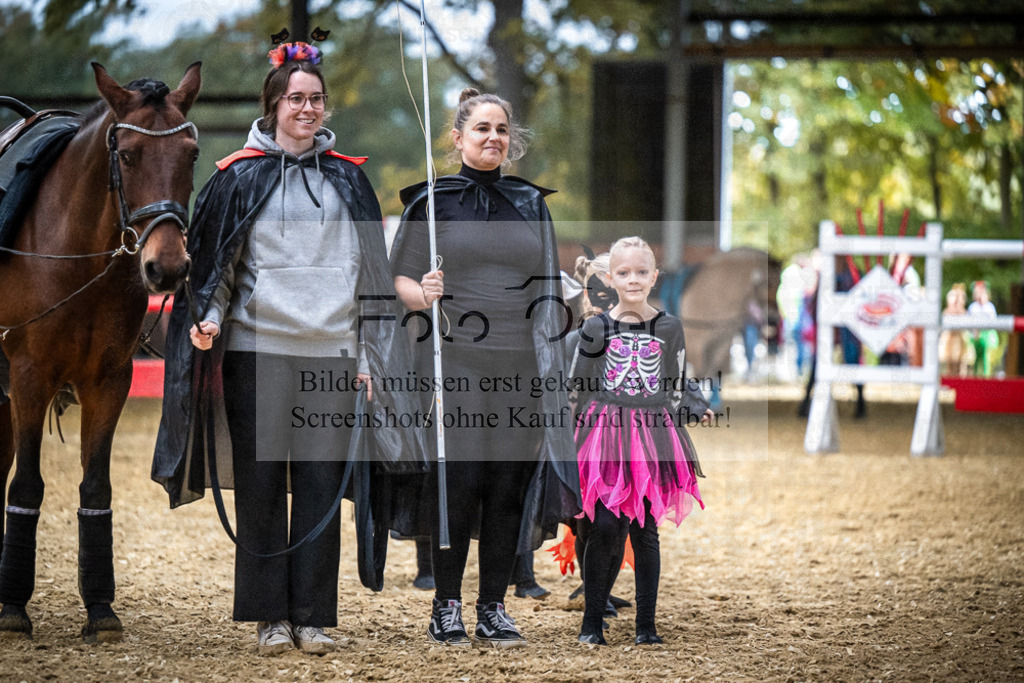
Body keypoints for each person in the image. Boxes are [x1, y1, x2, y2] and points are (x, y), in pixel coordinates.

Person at [152, 41, 426, 656]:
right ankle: (269, 616)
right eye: (296, 98)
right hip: (258, 351)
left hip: (331, 356)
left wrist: (367, 357)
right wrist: (210, 320)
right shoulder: (238, 175)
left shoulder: (350, 179)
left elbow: (371, 279)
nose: (307, 108)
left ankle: (313, 616)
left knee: (321, 486)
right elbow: (217, 268)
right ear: (275, 104)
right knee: (261, 486)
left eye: (316, 99)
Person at [390, 88, 579, 647]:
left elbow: (547, 277)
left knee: (507, 485)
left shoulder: (529, 202)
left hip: (522, 363)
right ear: (458, 138)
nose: (492, 137)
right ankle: (446, 605)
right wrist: (421, 295)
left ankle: (493, 606)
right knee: (460, 481)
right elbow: (397, 278)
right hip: (456, 359)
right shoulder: (431, 201)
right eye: (481, 129)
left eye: (501, 129)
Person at [570, 236, 710, 646]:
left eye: (642, 272)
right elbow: (579, 386)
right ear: (610, 279)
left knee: (646, 530)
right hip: (605, 435)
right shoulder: (596, 327)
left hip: (652, 435)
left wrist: (694, 407)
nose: (633, 279)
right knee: (605, 526)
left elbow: (677, 382)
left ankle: (646, 627)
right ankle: (591, 624)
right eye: (624, 273)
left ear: (654, 277)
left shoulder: (670, 327)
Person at [967, 280, 999, 377]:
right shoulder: (973, 307)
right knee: (976, 358)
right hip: (976, 336)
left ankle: (986, 377)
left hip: (987, 336)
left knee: (986, 358)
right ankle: (976, 376)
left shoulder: (989, 307)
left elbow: (993, 321)